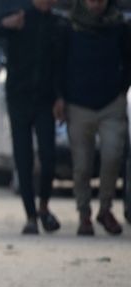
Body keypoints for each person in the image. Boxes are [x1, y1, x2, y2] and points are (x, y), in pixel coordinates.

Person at [0, 0, 66, 235]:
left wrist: (61, 97)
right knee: (23, 159)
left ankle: (44, 206)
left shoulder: (58, 24)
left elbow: (64, 65)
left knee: (48, 156)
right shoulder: (19, 18)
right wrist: (4, 24)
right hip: (19, 100)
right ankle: (31, 216)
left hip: (46, 102)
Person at [55, 0, 130, 236]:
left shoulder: (119, 26)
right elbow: (58, 63)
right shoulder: (69, 27)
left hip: (111, 104)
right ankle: (84, 214)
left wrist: (121, 88)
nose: (96, 4)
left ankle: (105, 208)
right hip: (78, 105)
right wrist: (60, 97)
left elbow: (128, 61)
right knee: (82, 165)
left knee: (112, 156)